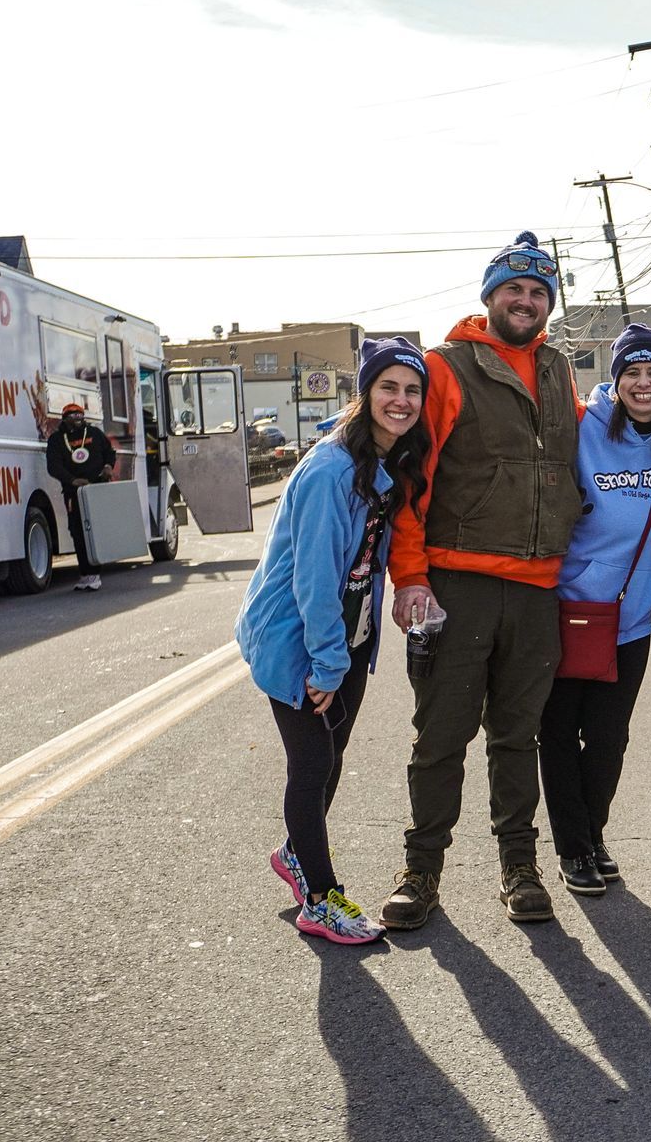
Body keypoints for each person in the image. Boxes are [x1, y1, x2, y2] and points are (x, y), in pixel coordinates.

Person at [382, 232, 581, 929]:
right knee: (440, 739)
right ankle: (421, 871)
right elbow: (411, 482)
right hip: (456, 586)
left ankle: (519, 868)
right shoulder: (446, 367)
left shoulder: (559, 369)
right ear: (490, 296)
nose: (524, 301)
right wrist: (409, 577)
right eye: (513, 289)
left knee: (516, 738)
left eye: (537, 292)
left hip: (536, 591)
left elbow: (574, 451)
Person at [235, 337, 430, 945]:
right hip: (299, 638)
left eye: (412, 390)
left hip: (345, 639)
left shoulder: (382, 463)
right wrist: (324, 662)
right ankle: (319, 898)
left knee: (332, 756)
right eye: (388, 388)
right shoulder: (330, 469)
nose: (400, 401)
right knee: (312, 761)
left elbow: (366, 562)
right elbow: (314, 578)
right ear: (364, 393)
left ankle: (297, 855)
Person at [540, 325, 651, 897]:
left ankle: (592, 835)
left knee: (608, 739)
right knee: (556, 734)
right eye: (632, 373)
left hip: (628, 620)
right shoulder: (583, 430)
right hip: (565, 612)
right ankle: (574, 848)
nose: (643, 383)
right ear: (616, 379)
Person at [44, 402, 117, 591]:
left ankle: (95, 573)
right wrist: (72, 480)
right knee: (77, 531)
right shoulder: (57, 440)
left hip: (97, 489)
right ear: (64, 418)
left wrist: (108, 466)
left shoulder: (94, 434)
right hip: (73, 493)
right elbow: (53, 466)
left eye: (79, 415)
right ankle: (85, 574)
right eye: (72, 416)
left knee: (95, 530)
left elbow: (109, 452)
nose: (76, 419)